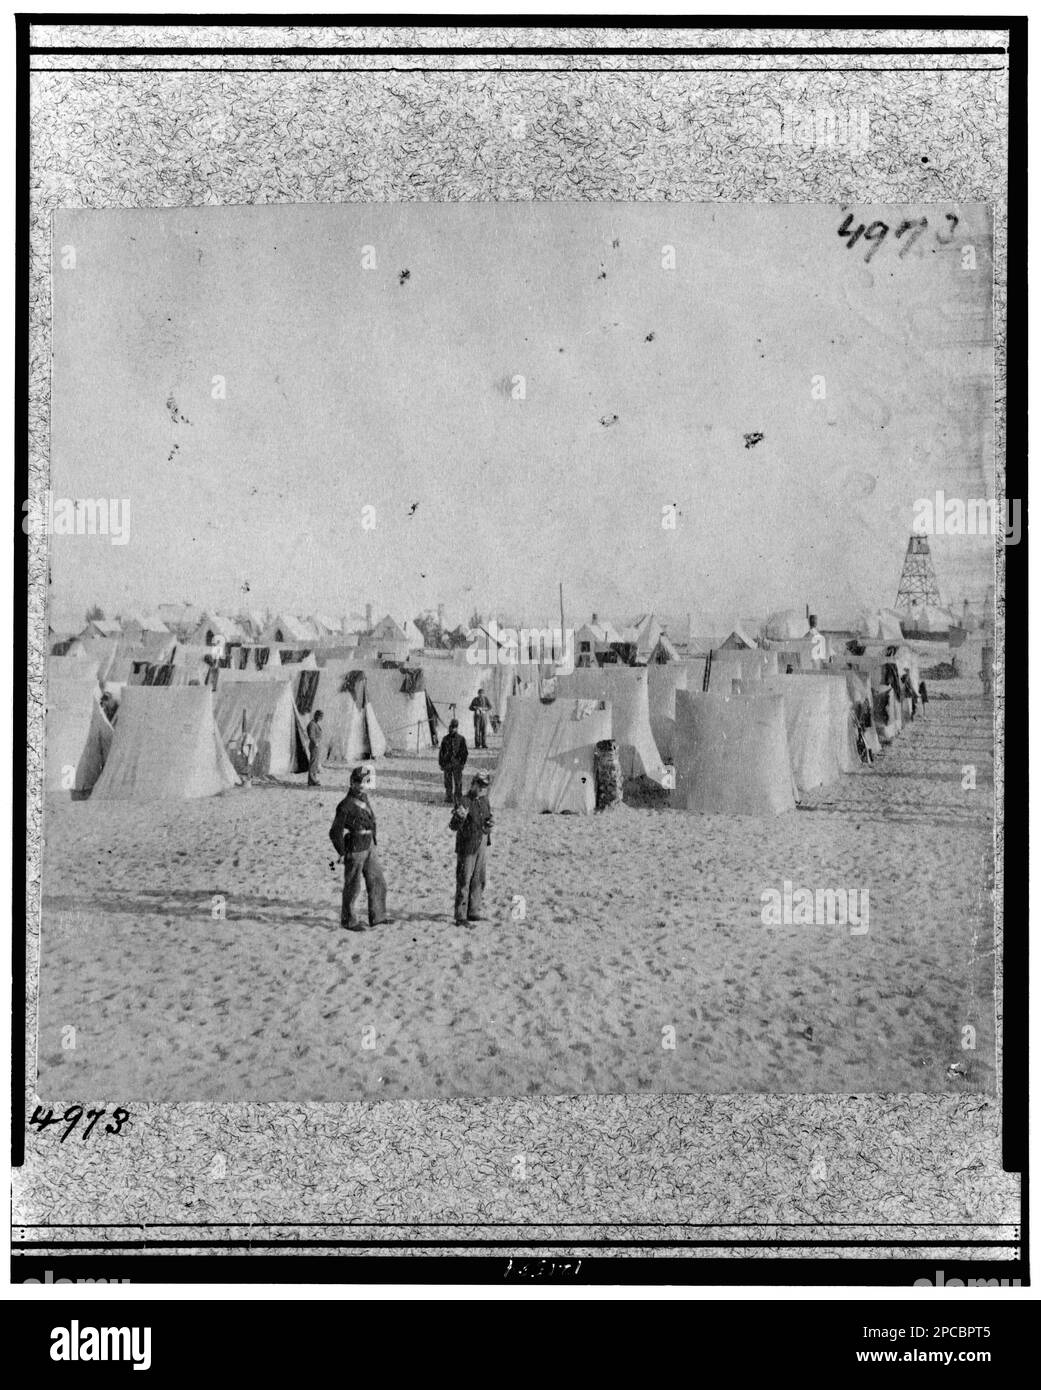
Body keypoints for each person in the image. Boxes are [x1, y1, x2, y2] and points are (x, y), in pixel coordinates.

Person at [328, 766, 390, 931]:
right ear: (352, 783)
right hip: (355, 848)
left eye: (364, 782)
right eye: (358, 782)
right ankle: (349, 921)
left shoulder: (364, 798)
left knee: (378, 882)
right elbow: (335, 832)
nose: (361, 785)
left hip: (369, 845)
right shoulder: (345, 804)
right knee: (353, 886)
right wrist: (341, 852)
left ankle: (378, 917)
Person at [451, 771, 494, 925]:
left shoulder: (484, 801)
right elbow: (453, 826)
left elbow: (488, 819)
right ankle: (460, 915)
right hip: (467, 845)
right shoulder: (464, 800)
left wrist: (489, 825)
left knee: (479, 878)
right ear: (474, 784)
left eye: (485, 787)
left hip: (482, 842)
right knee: (464, 879)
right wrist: (459, 817)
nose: (482, 789)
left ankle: (474, 911)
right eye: (480, 786)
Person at [438, 717, 468, 806]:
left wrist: (462, 763)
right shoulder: (445, 739)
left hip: (457, 764)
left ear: (457, 728)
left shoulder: (461, 739)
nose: (452, 729)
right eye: (451, 727)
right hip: (447, 763)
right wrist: (441, 763)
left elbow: (465, 753)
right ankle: (448, 796)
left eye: (454, 727)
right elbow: (441, 752)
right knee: (447, 782)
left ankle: (458, 797)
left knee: (458, 782)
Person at [305, 709, 324, 787]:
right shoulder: (312, 724)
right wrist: (316, 742)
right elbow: (311, 735)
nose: (321, 718)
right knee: (313, 763)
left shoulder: (315, 724)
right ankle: (312, 780)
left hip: (316, 746)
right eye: (320, 716)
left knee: (315, 763)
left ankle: (313, 779)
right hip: (314, 746)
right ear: (316, 716)